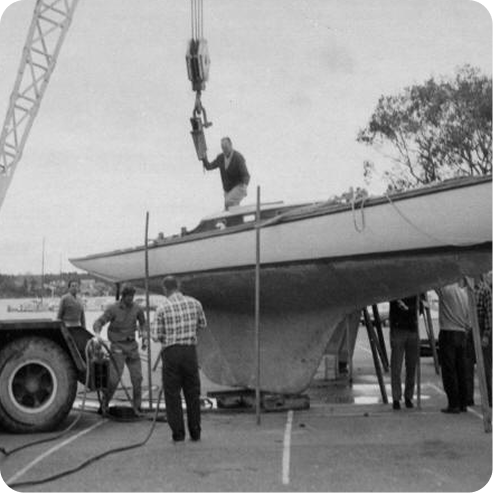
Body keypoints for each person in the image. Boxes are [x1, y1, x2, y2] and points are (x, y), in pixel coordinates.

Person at [153, 275, 206, 442]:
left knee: (172, 394)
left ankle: (178, 433)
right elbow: (202, 324)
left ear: (164, 289)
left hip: (171, 352)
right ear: (179, 285)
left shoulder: (162, 308)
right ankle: (195, 431)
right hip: (190, 351)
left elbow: (156, 335)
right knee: (192, 392)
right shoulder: (195, 303)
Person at [93, 284, 147, 413]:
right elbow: (98, 322)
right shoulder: (113, 309)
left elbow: (143, 323)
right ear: (123, 296)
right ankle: (104, 405)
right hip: (118, 347)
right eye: (128, 296)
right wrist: (97, 335)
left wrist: (144, 336)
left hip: (132, 347)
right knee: (114, 379)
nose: (131, 299)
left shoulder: (137, 309)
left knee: (137, 378)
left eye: (132, 296)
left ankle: (137, 406)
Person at [436, 281, 471, 414]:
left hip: (448, 332)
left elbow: (432, 283)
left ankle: (453, 404)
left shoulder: (445, 290)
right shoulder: (464, 294)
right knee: (461, 370)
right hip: (462, 334)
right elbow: (468, 320)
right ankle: (463, 403)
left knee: (449, 370)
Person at [389, 295, 420, 410]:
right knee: (396, 366)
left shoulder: (416, 289)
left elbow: (420, 306)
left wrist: (411, 309)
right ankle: (396, 398)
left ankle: (408, 396)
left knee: (411, 365)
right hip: (399, 328)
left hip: (411, 328)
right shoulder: (397, 288)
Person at [201, 136, 250, 209]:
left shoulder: (238, 157)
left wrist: (245, 186)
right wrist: (203, 158)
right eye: (223, 147)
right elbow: (209, 166)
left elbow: (246, 175)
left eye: (226, 147)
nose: (224, 149)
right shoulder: (220, 158)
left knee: (228, 202)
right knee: (229, 209)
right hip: (228, 190)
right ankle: (235, 220)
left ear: (231, 145)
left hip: (239, 186)